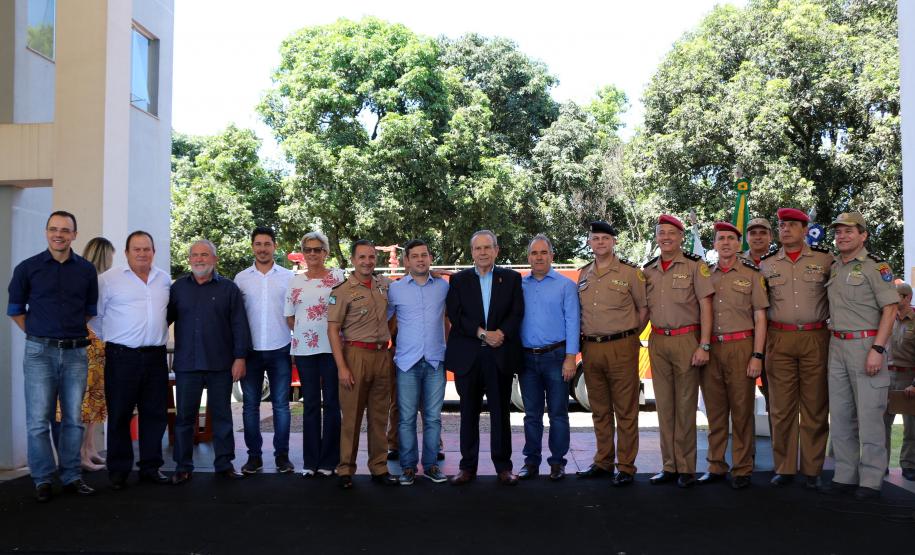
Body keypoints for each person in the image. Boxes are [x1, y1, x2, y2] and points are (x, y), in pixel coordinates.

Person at [7, 210, 99, 502]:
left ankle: (71, 476)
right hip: (39, 353)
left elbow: (88, 311)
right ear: (47, 232)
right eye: (53, 229)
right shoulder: (27, 268)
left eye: (65, 230)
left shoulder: (86, 270)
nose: (58, 234)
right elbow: (16, 311)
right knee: (38, 421)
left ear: (75, 234)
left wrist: (65, 334)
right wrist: (38, 335)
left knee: (73, 420)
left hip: (75, 353)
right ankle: (43, 479)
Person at [820, 211, 897, 499]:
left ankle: (871, 479)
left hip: (866, 345)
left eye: (848, 231)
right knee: (840, 415)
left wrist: (878, 349)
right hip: (837, 345)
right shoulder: (836, 267)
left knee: (869, 415)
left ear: (863, 235)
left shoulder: (876, 267)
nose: (842, 236)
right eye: (838, 232)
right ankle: (845, 474)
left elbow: (890, 309)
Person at [759, 208, 834, 488]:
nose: (786, 230)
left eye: (792, 225)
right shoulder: (767, 263)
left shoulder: (825, 259)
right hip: (779, 338)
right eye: (782, 225)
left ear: (805, 230)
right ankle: (785, 467)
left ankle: (813, 469)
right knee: (781, 407)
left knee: (815, 405)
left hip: (816, 337)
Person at [168, 240, 251, 484]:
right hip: (187, 364)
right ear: (189, 259)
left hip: (220, 364)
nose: (199, 259)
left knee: (222, 417)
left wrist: (240, 358)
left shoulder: (229, 289)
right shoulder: (178, 289)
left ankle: (224, 464)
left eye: (205, 255)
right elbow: (161, 319)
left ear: (215, 259)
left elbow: (239, 326)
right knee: (184, 419)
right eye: (195, 255)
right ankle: (183, 466)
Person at [446, 230, 524, 486]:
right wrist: (483, 334)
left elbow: (517, 312)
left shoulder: (511, 279)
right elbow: (455, 315)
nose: (482, 252)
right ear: (472, 253)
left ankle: (503, 467)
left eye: (487, 248)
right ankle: (467, 467)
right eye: (477, 248)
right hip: (468, 357)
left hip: (499, 356)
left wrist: (500, 333)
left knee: (501, 413)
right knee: (467, 413)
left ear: (496, 250)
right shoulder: (458, 281)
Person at [94, 231, 170, 489]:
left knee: (154, 414)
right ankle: (118, 470)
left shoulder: (164, 280)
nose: (142, 253)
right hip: (121, 356)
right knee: (119, 414)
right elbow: (96, 317)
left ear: (153, 251)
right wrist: (115, 341)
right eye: (136, 249)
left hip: (155, 357)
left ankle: (150, 467)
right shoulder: (108, 280)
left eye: (146, 249)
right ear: (126, 253)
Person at [643, 214, 714, 489]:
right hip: (658, 341)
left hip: (687, 339)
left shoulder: (696, 266)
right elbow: (644, 310)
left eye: (671, 233)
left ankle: (686, 468)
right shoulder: (648, 270)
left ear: (681, 237)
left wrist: (704, 344)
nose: (666, 238)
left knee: (685, 407)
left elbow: (706, 305)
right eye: (661, 233)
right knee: (664, 407)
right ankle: (669, 466)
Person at [574, 222, 646, 487]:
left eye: (606, 238)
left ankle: (626, 465)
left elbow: (643, 309)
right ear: (590, 243)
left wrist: (627, 337)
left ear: (614, 242)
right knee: (599, 409)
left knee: (626, 409)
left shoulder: (630, 272)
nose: (601, 242)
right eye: (596, 238)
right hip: (591, 348)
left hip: (621, 347)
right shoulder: (584, 274)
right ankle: (603, 461)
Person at [697, 222, 768, 490]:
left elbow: (760, 318)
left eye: (730, 238)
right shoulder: (705, 275)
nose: (725, 243)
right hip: (711, 348)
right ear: (714, 244)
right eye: (720, 238)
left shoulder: (752, 274)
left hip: (742, 347)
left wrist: (757, 355)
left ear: (739, 244)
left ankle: (742, 468)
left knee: (741, 412)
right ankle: (715, 465)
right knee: (714, 413)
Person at [327, 240, 398, 488]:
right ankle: (345, 469)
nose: (367, 261)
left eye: (371, 257)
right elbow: (333, 330)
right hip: (355, 355)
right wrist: (342, 367)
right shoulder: (342, 291)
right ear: (353, 260)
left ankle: (379, 468)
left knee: (380, 417)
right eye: (362, 257)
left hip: (382, 356)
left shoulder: (384, 285)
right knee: (352, 417)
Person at [386, 239, 450, 485]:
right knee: (406, 418)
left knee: (433, 417)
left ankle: (432, 465)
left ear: (430, 258)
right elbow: (385, 321)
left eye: (424, 255)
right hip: (406, 363)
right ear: (407, 261)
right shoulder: (396, 289)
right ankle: (408, 467)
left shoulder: (443, 288)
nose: (420, 259)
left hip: (435, 361)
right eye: (415, 256)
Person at [518, 234, 579, 482]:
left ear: (552, 256)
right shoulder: (519, 285)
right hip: (527, 360)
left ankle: (557, 463)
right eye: (534, 253)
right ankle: (531, 462)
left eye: (544, 253)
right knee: (531, 415)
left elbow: (573, 322)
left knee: (558, 414)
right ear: (529, 257)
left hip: (556, 357)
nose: (539, 257)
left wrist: (570, 357)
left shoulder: (565, 286)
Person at [235, 227, 295, 475]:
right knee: (250, 406)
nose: (262, 248)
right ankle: (254, 457)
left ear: (275, 246)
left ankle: (282, 457)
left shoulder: (289, 277)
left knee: (281, 406)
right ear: (252, 247)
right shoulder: (240, 279)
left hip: (280, 348)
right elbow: (236, 318)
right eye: (258, 244)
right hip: (250, 352)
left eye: (267, 244)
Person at [285, 231, 345, 477]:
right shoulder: (295, 281)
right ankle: (310, 461)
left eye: (317, 249)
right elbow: (290, 317)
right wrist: (308, 332)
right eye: (308, 249)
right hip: (305, 350)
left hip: (333, 350)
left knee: (332, 404)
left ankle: (330, 461)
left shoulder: (338, 277)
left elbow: (347, 311)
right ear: (303, 253)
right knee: (309, 404)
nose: (312, 254)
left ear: (325, 253)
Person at [72, 237, 115, 472]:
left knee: (95, 400)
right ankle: (82, 454)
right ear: (105, 255)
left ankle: (90, 449)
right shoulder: (97, 282)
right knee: (88, 402)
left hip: (96, 344)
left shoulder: (91, 280)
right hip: (91, 343)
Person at [884, 282, 915, 481]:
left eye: (896, 296)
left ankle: (909, 465)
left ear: (907, 298)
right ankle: (880, 464)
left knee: (911, 427)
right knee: (882, 424)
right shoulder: (886, 318)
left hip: (908, 377)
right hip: (886, 376)